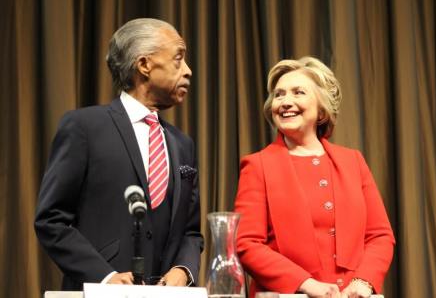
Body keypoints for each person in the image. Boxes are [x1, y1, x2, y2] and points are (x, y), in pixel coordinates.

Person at [34, 18, 203, 290]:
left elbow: (191, 231)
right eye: (178, 59)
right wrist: (104, 277)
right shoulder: (84, 127)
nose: (188, 71)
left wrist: (183, 270)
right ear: (144, 64)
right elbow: (51, 220)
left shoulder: (183, 144)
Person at [234, 56, 395, 298]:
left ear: (321, 109)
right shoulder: (258, 165)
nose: (286, 102)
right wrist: (306, 284)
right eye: (279, 95)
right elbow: (247, 244)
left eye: (298, 93)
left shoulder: (353, 161)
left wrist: (364, 281)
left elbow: (380, 236)